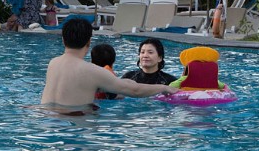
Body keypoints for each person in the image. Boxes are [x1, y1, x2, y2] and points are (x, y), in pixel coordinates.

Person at [40, 18, 178, 111]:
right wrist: (163, 88)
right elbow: (134, 90)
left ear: (63, 40)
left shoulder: (53, 63)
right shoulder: (92, 71)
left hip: (45, 120)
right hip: (75, 130)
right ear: (89, 42)